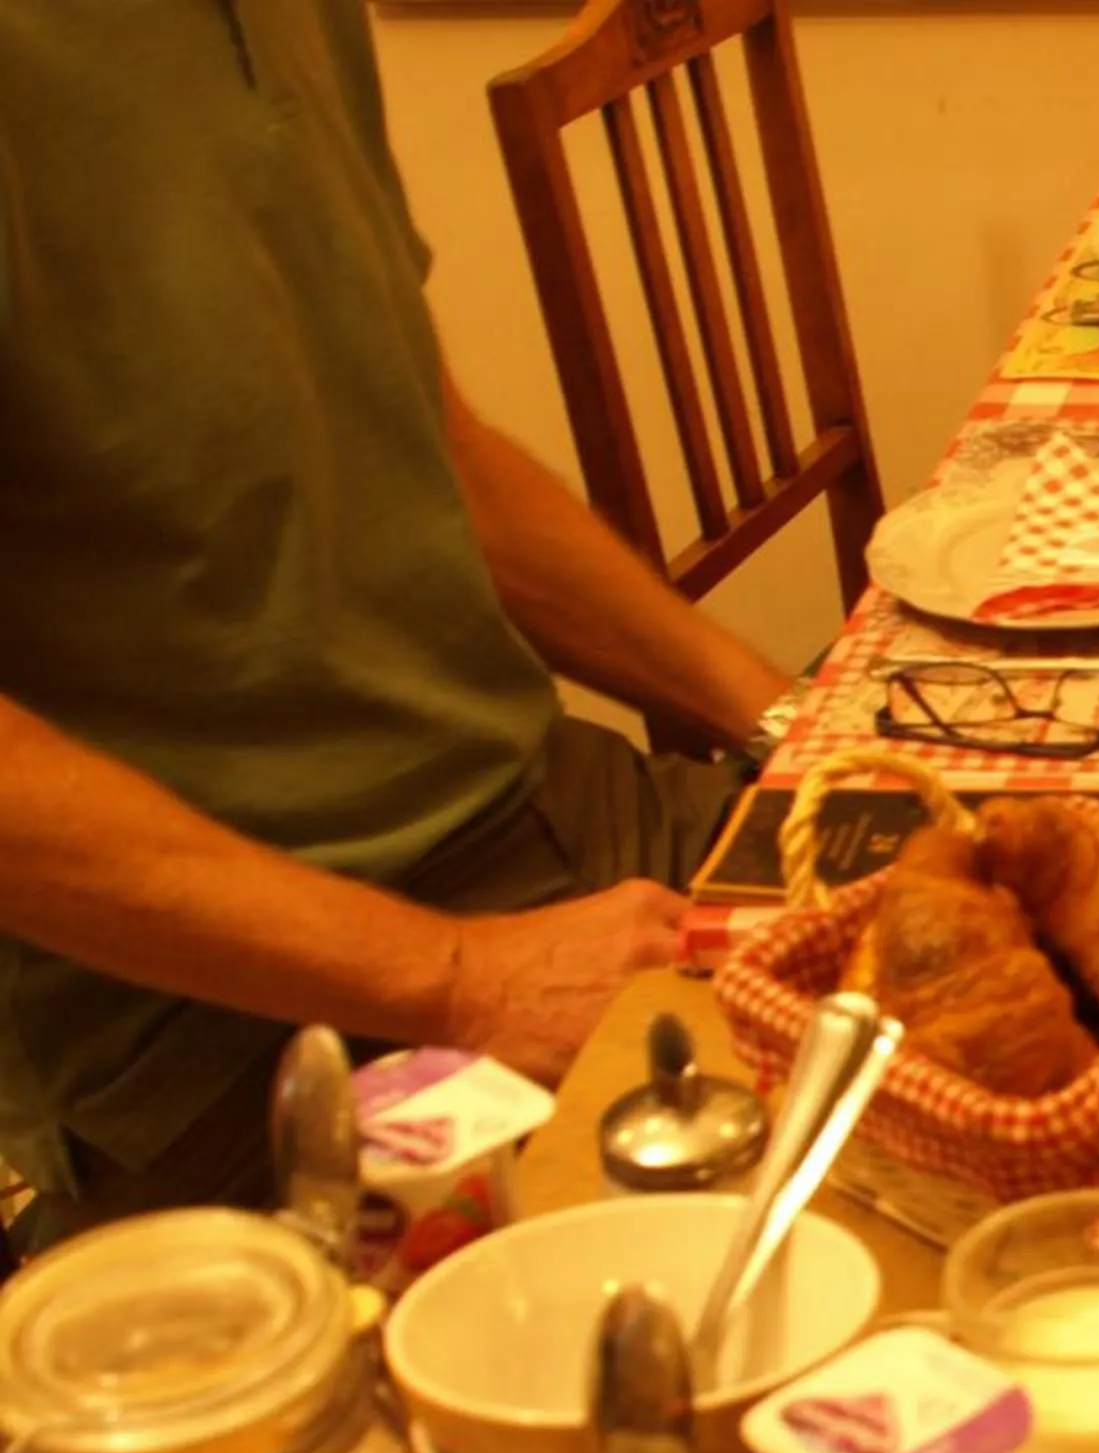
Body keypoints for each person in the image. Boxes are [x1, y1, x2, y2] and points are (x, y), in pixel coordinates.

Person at [0, 0, 799, 1250]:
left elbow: (444, 457)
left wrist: (793, 726)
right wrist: (462, 982)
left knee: (1093, 1007)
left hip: (555, 816)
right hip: (238, 1023)